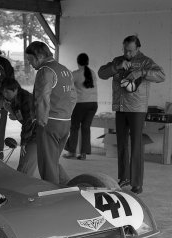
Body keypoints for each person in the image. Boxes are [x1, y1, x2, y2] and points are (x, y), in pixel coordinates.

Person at [98, 35, 165, 194]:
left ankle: (137, 183)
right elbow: (102, 73)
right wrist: (117, 67)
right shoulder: (118, 60)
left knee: (136, 145)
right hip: (120, 108)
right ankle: (124, 178)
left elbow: (161, 75)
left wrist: (141, 72)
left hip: (137, 109)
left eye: (130, 51)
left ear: (138, 48)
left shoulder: (146, 61)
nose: (127, 53)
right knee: (121, 144)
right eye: (125, 50)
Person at [26, 41, 76, 184]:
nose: (30, 64)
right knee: (53, 162)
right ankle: (68, 191)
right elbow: (73, 96)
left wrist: (41, 122)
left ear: (40, 56)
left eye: (31, 60)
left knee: (47, 166)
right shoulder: (64, 69)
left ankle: (53, 198)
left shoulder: (45, 70)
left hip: (50, 123)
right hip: (65, 123)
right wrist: (66, 115)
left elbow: (42, 97)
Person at [63, 53, 98, 160]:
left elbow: (66, 85)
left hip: (80, 104)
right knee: (86, 128)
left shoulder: (76, 74)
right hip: (93, 104)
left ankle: (72, 152)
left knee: (74, 127)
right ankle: (83, 153)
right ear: (87, 62)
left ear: (78, 62)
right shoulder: (92, 73)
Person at [2, 78, 38, 177]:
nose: (4, 94)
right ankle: (69, 184)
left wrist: (24, 143)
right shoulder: (13, 99)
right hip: (32, 131)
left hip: (39, 133)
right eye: (3, 91)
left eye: (7, 92)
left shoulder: (26, 99)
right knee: (49, 164)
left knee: (24, 168)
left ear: (15, 90)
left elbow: (28, 122)